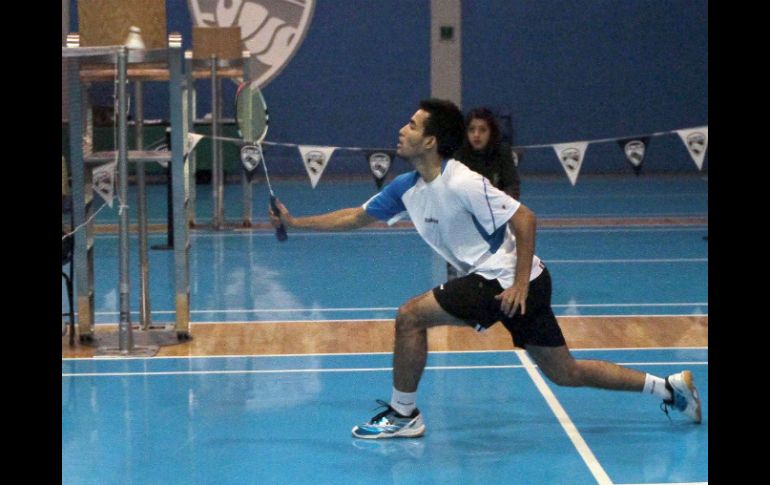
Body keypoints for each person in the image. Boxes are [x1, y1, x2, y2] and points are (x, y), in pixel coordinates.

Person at [268, 98, 701, 439]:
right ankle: (669, 388)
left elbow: (525, 218)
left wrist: (516, 285)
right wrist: (295, 222)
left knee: (409, 316)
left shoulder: (462, 181)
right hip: (513, 280)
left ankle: (403, 414)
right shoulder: (408, 188)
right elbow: (356, 216)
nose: (401, 130)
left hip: (503, 277)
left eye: (413, 125)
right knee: (564, 371)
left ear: (432, 141)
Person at [447, 107, 521, 281]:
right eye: (472, 130)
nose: (476, 135)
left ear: (491, 132)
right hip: (465, 222)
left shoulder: (502, 152)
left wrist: (499, 210)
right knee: (458, 276)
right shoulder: (459, 155)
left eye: (482, 130)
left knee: (502, 269)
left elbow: (512, 186)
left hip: (496, 220)